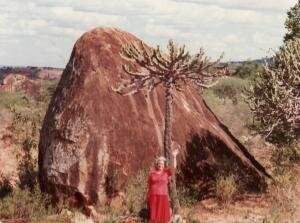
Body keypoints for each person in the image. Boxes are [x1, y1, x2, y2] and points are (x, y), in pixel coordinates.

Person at [146, 149, 179, 223]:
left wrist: (174, 157)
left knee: (163, 217)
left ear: (164, 165)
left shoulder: (166, 172)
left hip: (163, 196)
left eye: (162, 164)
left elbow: (174, 168)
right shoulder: (152, 173)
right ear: (157, 164)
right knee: (153, 217)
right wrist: (146, 197)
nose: (161, 165)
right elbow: (148, 186)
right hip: (153, 197)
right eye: (159, 163)